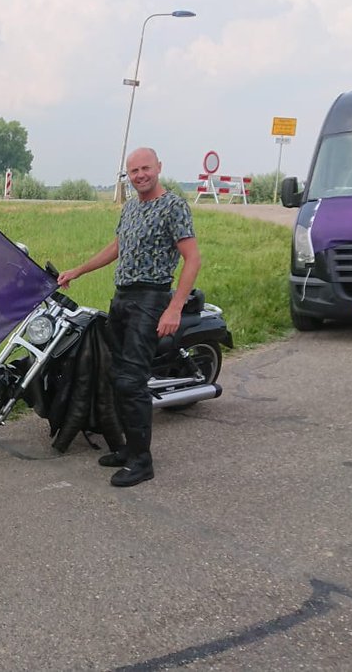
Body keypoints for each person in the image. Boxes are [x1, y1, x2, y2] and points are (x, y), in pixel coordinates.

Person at [57, 147, 200, 487]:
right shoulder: (132, 206)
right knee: (114, 374)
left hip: (151, 299)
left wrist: (174, 307)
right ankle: (126, 448)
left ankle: (141, 461)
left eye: (145, 168)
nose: (140, 175)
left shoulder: (173, 206)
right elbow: (116, 247)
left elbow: (192, 259)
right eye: (133, 171)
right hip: (122, 298)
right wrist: (78, 270)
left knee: (131, 381)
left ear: (159, 168)